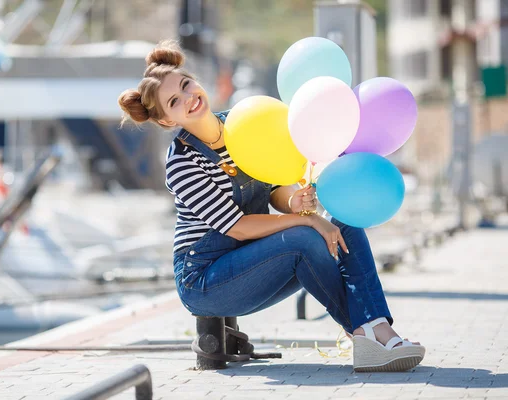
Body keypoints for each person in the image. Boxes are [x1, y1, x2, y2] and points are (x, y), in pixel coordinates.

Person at [118, 40, 425, 372]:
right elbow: (237, 226)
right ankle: (364, 335)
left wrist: (294, 201)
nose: (189, 98)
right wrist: (307, 222)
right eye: (174, 101)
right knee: (305, 237)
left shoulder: (243, 124)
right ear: (166, 120)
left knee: (343, 222)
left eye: (186, 85)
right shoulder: (182, 162)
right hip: (206, 278)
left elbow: (275, 186)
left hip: (254, 258)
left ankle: (379, 329)